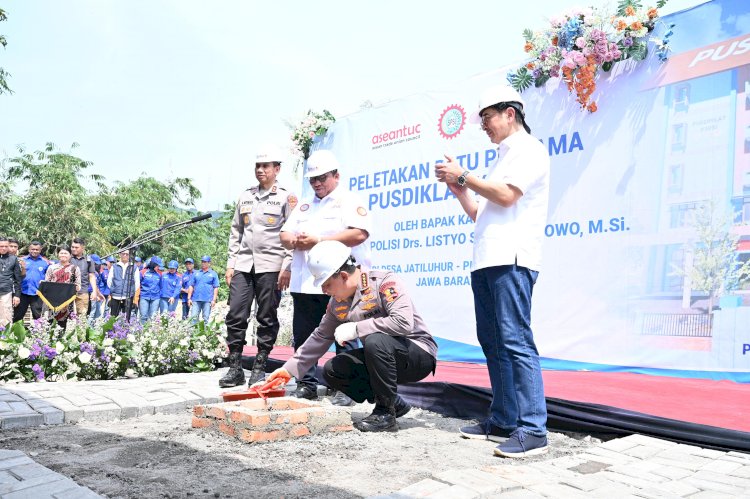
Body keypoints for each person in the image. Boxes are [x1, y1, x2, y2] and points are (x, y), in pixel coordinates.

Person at [435, 85, 550, 458]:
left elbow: (505, 196)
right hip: (486, 259)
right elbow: (480, 212)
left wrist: (464, 175)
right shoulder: (502, 157)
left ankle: (533, 429)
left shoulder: (529, 149)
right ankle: (503, 419)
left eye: (486, 117)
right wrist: (458, 187)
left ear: (509, 113)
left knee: (516, 341)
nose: (483, 125)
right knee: (493, 343)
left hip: (512, 259)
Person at [259, 241, 437, 432]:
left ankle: (385, 413)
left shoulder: (384, 283)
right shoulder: (337, 303)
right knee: (334, 369)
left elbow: (403, 322)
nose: (324, 291)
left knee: (376, 340)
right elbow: (320, 337)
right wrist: (288, 370)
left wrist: (357, 329)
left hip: (417, 354)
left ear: (343, 276)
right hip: (381, 356)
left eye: (327, 284)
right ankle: (394, 402)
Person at [280, 149, 372, 405]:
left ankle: (346, 388)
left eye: (322, 178)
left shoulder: (349, 200)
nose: (317, 183)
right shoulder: (305, 204)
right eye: (312, 179)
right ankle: (306, 384)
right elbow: (285, 235)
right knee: (305, 336)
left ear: (336, 175)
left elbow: (359, 234)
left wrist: (319, 240)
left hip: (340, 284)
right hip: (305, 283)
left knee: (345, 335)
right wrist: (294, 241)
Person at [221, 145, 295, 388]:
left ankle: (260, 366)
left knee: (266, 316)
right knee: (235, 314)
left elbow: (291, 234)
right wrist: (231, 264)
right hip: (243, 264)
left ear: (277, 169)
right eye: (258, 166)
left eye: (266, 166)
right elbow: (236, 231)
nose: (261, 170)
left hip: (271, 266)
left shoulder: (285, 197)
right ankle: (235, 367)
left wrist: (287, 266)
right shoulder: (245, 196)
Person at [40, 246, 82, 330]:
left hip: (66, 300)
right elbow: (47, 282)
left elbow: (78, 286)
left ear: (70, 255)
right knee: (49, 321)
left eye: (66, 253)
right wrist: (42, 283)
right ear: (58, 254)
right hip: (51, 299)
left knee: (63, 322)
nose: (63, 255)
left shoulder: (75, 269)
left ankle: (61, 340)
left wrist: (71, 288)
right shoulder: (51, 267)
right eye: (61, 253)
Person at [13, 241, 50, 323]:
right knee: (17, 316)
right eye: (32, 249)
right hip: (22, 292)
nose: (35, 251)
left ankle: (38, 334)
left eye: (37, 249)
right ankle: (15, 335)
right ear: (29, 249)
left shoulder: (46, 262)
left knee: (38, 317)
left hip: (37, 294)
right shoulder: (21, 260)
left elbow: (49, 277)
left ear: (40, 250)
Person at [70, 238, 102, 317]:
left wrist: (94, 291)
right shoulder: (68, 258)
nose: (74, 249)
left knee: (82, 317)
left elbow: (91, 276)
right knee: (66, 316)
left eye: (76, 247)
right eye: (72, 247)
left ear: (82, 248)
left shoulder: (88, 260)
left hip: (83, 291)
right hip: (68, 291)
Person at [187, 256, 219, 325]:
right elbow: (191, 286)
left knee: (205, 318)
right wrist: (189, 298)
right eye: (202, 262)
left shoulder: (213, 274)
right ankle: (193, 334)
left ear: (209, 263)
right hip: (196, 299)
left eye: (205, 262)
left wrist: (214, 300)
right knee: (193, 318)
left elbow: (216, 287)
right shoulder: (196, 273)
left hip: (207, 300)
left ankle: (204, 335)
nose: (203, 263)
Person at [108, 250, 140, 317]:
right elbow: (109, 281)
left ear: (129, 255)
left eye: (127, 254)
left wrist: (131, 291)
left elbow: (137, 282)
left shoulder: (134, 267)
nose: (125, 255)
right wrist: (113, 289)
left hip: (128, 296)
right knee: (113, 317)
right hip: (115, 296)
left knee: (126, 318)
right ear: (120, 255)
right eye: (123, 254)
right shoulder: (114, 266)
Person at [0, 237, 23, 328]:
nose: (4, 248)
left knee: (6, 318)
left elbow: (17, 279)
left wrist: (17, 295)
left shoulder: (13, 259)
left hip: (6, 292)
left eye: (6, 246)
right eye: (1, 246)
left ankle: (4, 340)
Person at [139, 256, 163, 324]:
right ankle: (142, 331)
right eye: (157, 265)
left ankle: (150, 332)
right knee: (143, 316)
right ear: (153, 264)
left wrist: (159, 295)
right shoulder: (143, 272)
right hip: (144, 296)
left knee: (153, 317)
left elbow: (161, 286)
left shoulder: (159, 274)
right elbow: (138, 284)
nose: (158, 267)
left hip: (155, 298)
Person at [87, 255, 105, 323]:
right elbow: (94, 286)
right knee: (92, 314)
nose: (97, 266)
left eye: (98, 264)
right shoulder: (92, 273)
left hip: (94, 294)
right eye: (95, 264)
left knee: (96, 314)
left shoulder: (96, 272)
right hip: (92, 294)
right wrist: (98, 295)